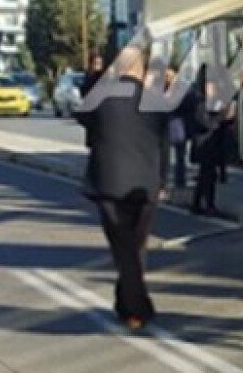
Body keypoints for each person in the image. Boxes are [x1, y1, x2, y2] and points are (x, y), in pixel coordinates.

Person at [74, 45, 168, 330]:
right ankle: (129, 306)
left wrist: (99, 77)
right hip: (145, 184)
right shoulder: (155, 100)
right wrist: (162, 181)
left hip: (109, 182)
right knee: (135, 247)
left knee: (123, 249)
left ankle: (135, 308)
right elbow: (164, 144)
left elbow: (82, 115)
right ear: (140, 70)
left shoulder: (100, 97)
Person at [190, 70, 231, 217]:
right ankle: (207, 204)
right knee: (207, 176)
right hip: (204, 144)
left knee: (207, 176)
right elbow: (205, 122)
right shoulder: (200, 102)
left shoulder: (212, 102)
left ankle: (200, 203)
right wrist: (221, 117)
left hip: (213, 145)